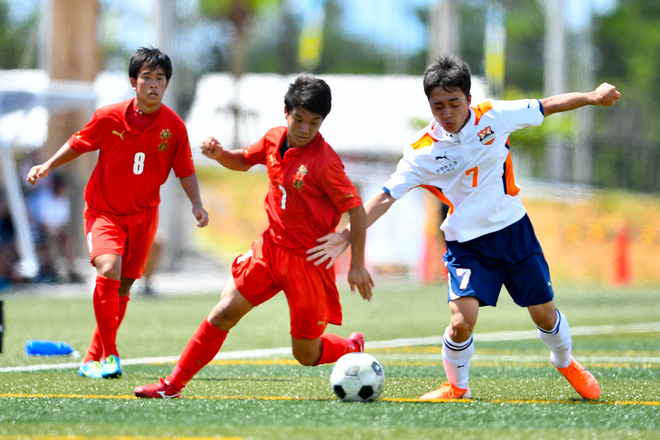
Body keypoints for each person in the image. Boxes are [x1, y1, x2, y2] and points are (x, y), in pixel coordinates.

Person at [307, 55, 620, 401]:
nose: (447, 113)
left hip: (514, 230)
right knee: (461, 321)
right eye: (438, 106)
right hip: (466, 244)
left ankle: (565, 362)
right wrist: (348, 235)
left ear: (468, 100)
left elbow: (547, 106)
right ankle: (457, 386)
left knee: (544, 315)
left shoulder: (495, 116)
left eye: (454, 103)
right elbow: (384, 198)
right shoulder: (420, 152)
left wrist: (592, 96)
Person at [134, 73, 374, 399]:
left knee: (305, 354)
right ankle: (171, 385)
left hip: (308, 262)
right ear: (286, 112)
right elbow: (244, 160)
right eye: (299, 120)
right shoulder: (274, 139)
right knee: (223, 312)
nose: (305, 129)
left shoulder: (326, 163)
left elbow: (357, 211)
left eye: (314, 123)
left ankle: (350, 346)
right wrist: (220, 155)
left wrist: (357, 264)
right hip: (271, 249)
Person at [26, 47, 209, 379]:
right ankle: (111, 354)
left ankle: (92, 358)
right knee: (108, 268)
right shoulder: (109, 116)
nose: (154, 85)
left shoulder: (175, 127)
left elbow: (185, 170)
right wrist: (47, 165)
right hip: (104, 212)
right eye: (147, 78)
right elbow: (78, 142)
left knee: (123, 288)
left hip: (144, 217)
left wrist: (196, 203)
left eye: (160, 79)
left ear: (167, 85)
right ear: (133, 82)